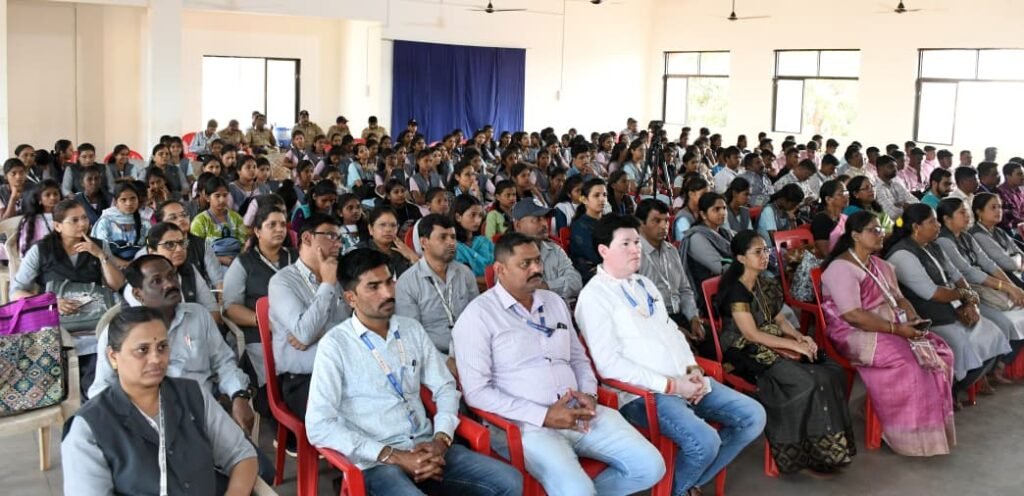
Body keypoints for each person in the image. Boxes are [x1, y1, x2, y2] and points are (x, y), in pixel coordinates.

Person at [454, 233, 665, 495]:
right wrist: (543, 416)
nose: (536, 269)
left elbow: (578, 358)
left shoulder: (553, 302)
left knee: (651, 467)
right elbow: (476, 392)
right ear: (500, 270)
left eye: (538, 261)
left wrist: (589, 394)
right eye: (525, 264)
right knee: (579, 491)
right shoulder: (477, 316)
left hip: (579, 412)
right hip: (526, 427)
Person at [304, 248, 522, 495]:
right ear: (350, 298)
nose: (388, 293)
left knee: (510, 481)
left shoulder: (411, 330)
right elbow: (319, 425)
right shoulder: (335, 346)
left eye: (389, 282)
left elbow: (445, 386)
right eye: (374, 287)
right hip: (377, 461)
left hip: (427, 447)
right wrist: (395, 456)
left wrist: (441, 439)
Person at [577, 214, 765, 496]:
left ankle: (682, 484)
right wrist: (671, 385)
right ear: (604, 250)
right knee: (706, 442)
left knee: (753, 416)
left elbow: (672, 332)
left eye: (637, 242)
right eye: (626, 243)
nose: (635, 249)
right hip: (644, 395)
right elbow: (609, 366)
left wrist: (692, 370)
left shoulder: (644, 284)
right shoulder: (594, 297)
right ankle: (682, 485)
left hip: (683, 379)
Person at [62, 307, 258, 495]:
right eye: (142, 350)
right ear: (113, 357)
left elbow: (241, 454)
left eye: (162, 347)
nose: (156, 359)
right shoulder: (88, 429)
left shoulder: (193, 395)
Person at [714, 229, 855, 473]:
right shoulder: (737, 291)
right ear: (741, 258)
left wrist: (799, 336)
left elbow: (779, 319)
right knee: (805, 382)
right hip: (744, 349)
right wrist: (792, 345)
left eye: (766, 251)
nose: (764, 256)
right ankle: (804, 451)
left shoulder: (765, 283)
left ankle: (829, 449)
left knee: (831, 371)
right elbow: (751, 334)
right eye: (757, 252)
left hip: (771, 338)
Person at [820, 212, 955, 456]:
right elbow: (853, 315)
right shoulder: (842, 268)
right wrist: (897, 329)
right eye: (874, 230)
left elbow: (899, 298)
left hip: (889, 323)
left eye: (881, 229)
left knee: (938, 351)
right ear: (855, 235)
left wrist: (913, 319)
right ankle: (907, 435)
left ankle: (922, 425)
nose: (881, 234)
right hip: (853, 332)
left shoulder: (877, 263)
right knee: (911, 364)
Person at [884, 204, 1010, 405]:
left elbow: (957, 276)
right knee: (961, 345)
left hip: (955, 308)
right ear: (916, 227)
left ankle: (955, 388)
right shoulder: (902, 254)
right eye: (932, 221)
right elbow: (933, 293)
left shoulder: (933, 245)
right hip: (930, 316)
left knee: (993, 333)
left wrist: (971, 303)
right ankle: (950, 390)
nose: (938, 225)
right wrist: (966, 295)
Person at [934, 198, 1024, 384]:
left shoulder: (966, 236)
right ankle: (990, 372)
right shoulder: (944, 241)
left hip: (985, 287)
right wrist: (1006, 287)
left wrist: (1013, 288)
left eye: (967, 211)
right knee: (1002, 323)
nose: (967, 216)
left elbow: (988, 264)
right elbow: (968, 272)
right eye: (962, 212)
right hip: (967, 294)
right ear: (947, 218)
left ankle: (993, 369)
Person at [223, 204, 297, 389]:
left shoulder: (297, 257)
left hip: (299, 329)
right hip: (261, 334)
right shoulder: (244, 263)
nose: (279, 229)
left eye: (282, 224)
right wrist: (266, 322)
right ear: (257, 231)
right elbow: (231, 307)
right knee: (282, 381)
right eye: (272, 225)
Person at [395, 214, 478, 374]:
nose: (451, 242)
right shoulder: (407, 283)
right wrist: (444, 361)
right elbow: (411, 337)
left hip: (471, 349)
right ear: (424, 242)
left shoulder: (465, 273)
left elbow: (478, 317)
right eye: (443, 237)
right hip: (433, 357)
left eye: (453, 237)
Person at [511, 197, 583, 301]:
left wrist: (546, 286)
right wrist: (559, 286)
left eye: (545, 218)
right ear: (518, 225)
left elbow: (576, 282)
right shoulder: (508, 255)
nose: (544, 224)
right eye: (537, 219)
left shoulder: (555, 250)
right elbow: (516, 292)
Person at [679, 193, 734, 316]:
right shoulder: (696, 238)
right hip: (713, 296)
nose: (723, 213)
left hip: (729, 286)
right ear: (703, 214)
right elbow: (720, 268)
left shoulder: (725, 233)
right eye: (716, 209)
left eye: (724, 208)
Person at [191, 176, 248, 266]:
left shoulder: (236, 218)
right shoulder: (200, 221)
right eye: (217, 196)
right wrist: (220, 259)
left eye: (225, 195)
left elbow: (243, 244)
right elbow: (197, 252)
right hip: (211, 265)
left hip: (237, 262)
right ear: (207, 197)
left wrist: (237, 261)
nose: (222, 200)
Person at [970, 193, 1024, 286]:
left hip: (1016, 275)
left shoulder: (999, 231)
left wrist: (1016, 257)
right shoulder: (977, 234)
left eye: (1000, 207)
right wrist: (1017, 258)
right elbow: (1009, 265)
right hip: (999, 281)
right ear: (979, 211)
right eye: (993, 207)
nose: (999, 210)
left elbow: (1020, 253)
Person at [91, 182, 149, 267]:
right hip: (110, 268)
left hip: (140, 267)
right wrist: (127, 265)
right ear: (115, 202)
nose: (129, 203)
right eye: (123, 200)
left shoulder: (145, 224)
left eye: (133, 198)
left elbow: (150, 249)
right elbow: (101, 251)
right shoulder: (105, 222)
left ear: (138, 199)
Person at [358, 206, 419, 278]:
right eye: (382, 225)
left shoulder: (403, 251)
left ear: (398, 228)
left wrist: (413, 257)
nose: (388, 229)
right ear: (370, 229)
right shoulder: (358, 252)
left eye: (393, 225)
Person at [569, 178, 608, 284]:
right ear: (584, 200)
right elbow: (593, 257)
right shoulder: (580, 226)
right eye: (596, 195)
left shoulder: (608, 221)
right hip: (590, 276)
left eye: (604, 195)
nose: (602, 199)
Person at [452, 194, 495, 281]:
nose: (477, 220)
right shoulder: (453, 247)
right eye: (472, 215)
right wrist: (491, 280)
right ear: (458, 217)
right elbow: (462, 280)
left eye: (480, 215)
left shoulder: (485, 242)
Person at [15, 179, 61, 255]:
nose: (53, 197)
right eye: (47, 195)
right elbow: (24, 247)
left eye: (55, 194)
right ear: (40, 199)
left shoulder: (66, 216)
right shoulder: (32, 220)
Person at [810, 180, 849, 256]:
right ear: (828, 199)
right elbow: (825, 254)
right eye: (841, 194)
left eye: (846, 193)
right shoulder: (821, 220)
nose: (846, 196)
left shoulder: (845, 218)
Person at [874, 155, 918, 221]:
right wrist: (905, 206)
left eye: (896, 167)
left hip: (905, 221)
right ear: (880, 168)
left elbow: (916, 202)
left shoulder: (896, 185)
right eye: (891, 167)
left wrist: (901, 205)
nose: (895, 170)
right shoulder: (876, 188)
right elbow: (892, 214)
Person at [673, 176, 710, 240]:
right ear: (691, 194)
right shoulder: (682, 219)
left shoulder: (703, 212)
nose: (707, 198)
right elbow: (684, 242)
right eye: (703, 194)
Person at [997, 161, 1024, 232]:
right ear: (1008, 176)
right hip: (1009, 229)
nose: (1023, 177)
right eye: (1019, 174)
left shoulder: (1020, 191)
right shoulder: (1000, 192)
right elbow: (1011, 216)